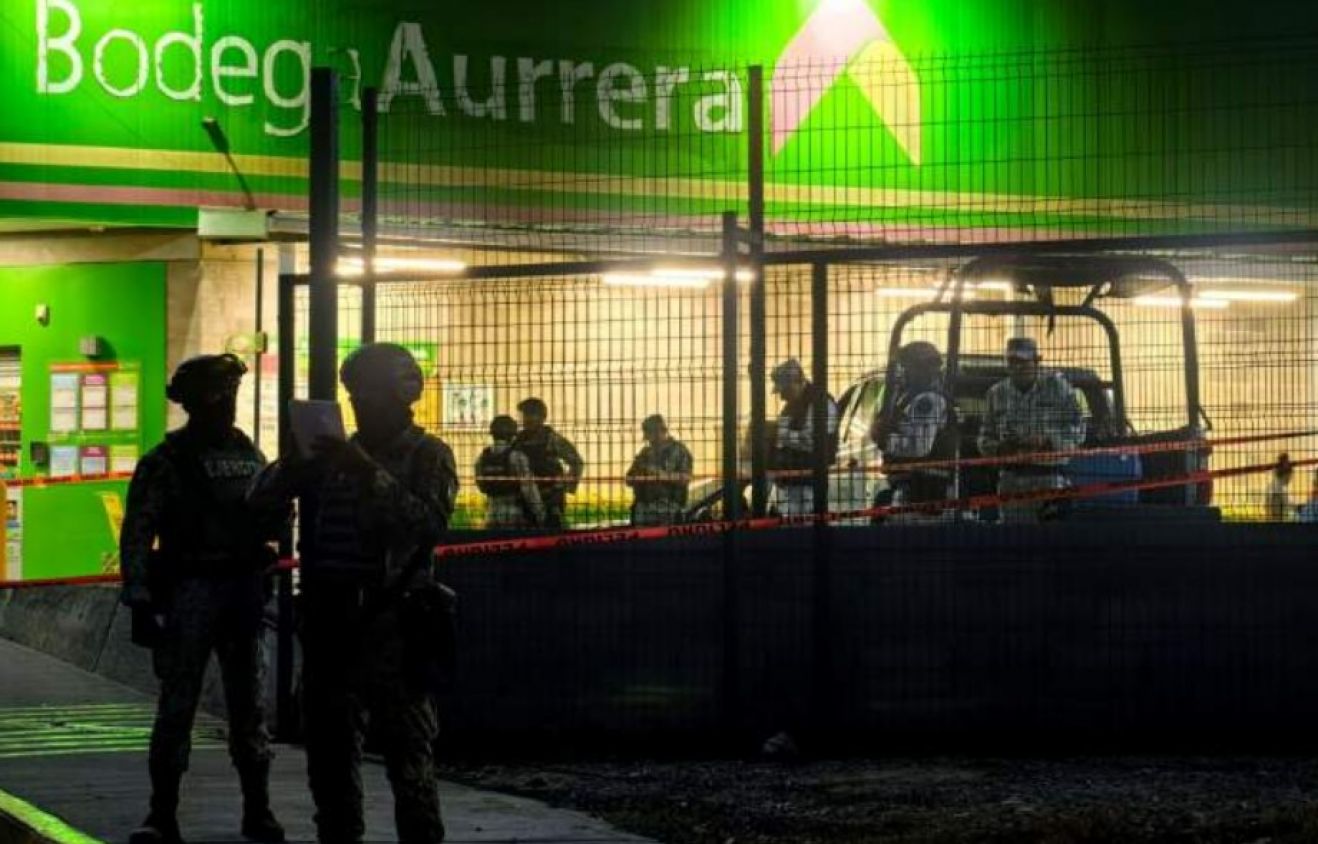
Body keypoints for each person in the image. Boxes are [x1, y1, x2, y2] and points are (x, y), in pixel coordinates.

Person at [248, 343, 457, 844]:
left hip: (393, 625)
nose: (359, 404)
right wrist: (294, 465)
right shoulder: (333, 455)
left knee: (409, 763)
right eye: (353, 394)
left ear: (401, 395)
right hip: (330, 624)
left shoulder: (428, 454)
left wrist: (365, 471)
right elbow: (258, 503)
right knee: (330, 759)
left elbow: (426, 524)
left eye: (368, 394)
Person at [119, 354, 285, 844]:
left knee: (248, 708)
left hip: (240, 592)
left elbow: (270, 517)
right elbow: (137, 534)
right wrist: (140, 598)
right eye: (220, 392)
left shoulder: (248, 453)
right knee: (177, 708)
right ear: (194, 400)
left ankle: (258, 809)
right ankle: (161, 813)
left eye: (232, 391)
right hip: (189, 590)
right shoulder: (165, 462)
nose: (229, 402)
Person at [977, 337, 1086, 524]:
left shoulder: (1058, 389)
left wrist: (1047, 440)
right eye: (1012, 361)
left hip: (1049, 479)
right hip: (1011, 481)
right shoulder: (996, 394)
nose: (1017, 367)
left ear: (1037, 361)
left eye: (1023, 361)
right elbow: (984, 438)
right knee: (1013, 542)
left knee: (1051, 542)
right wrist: (1000, 448)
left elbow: (1078, 430)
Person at [871, 342, 957, 516]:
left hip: (927, 491)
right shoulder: (909, 396)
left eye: (906, 366)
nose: (902, 372)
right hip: (911, 486)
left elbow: (920, 447)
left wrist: (886, 441)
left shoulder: (929, 400)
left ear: (921, 369)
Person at [767, 358, 839, 517]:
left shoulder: (821, 403)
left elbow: (814, 442)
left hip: (807, 487)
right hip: (787, 486)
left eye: (784, 391)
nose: (782, 397)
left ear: (797, 382)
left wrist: (782, 436)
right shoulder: (791, 406)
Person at [511, 397, 583, 529]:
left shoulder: (551, 438)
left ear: (543, 417)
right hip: (525, 497)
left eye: (531, 414)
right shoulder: (518, 439)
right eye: (525, 414)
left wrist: (564, 487)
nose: (527, 419)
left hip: (550, 498)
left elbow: (576, 462)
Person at [475, 414, 546, 528]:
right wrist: (539, 512)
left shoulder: (483, 457)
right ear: (512, 435)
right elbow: (528, 488)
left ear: (492, 434)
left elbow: (480, 484)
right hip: (514, 513)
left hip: (491, 512)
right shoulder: (516, 456)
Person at [625, 414, 694, 526]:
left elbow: (685, 478)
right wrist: (640, 475)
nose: (648, 440)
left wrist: (656, 473)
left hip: (667, 510)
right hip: (642, 510)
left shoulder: (679, 451)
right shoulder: (645, 452)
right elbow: (628, 479)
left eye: (650, 435)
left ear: (660, 431)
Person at [1266, 452, 1294, 522]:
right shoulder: (1277, 471)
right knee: (1276, 518)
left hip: (1279, 496)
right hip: (1275, 496)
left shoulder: (1287, 471)